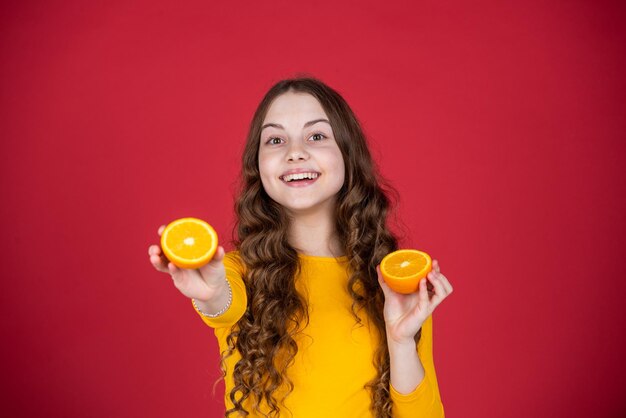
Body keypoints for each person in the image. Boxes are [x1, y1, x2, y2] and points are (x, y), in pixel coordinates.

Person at [148, 77, 453, 417]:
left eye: (317, 136)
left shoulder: (395, 280)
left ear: (347, 154)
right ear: (258, 165)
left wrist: (400, 342)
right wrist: (211, 293)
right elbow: (224, 304)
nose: (295, 152)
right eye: (275, 140)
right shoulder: (238, 271)